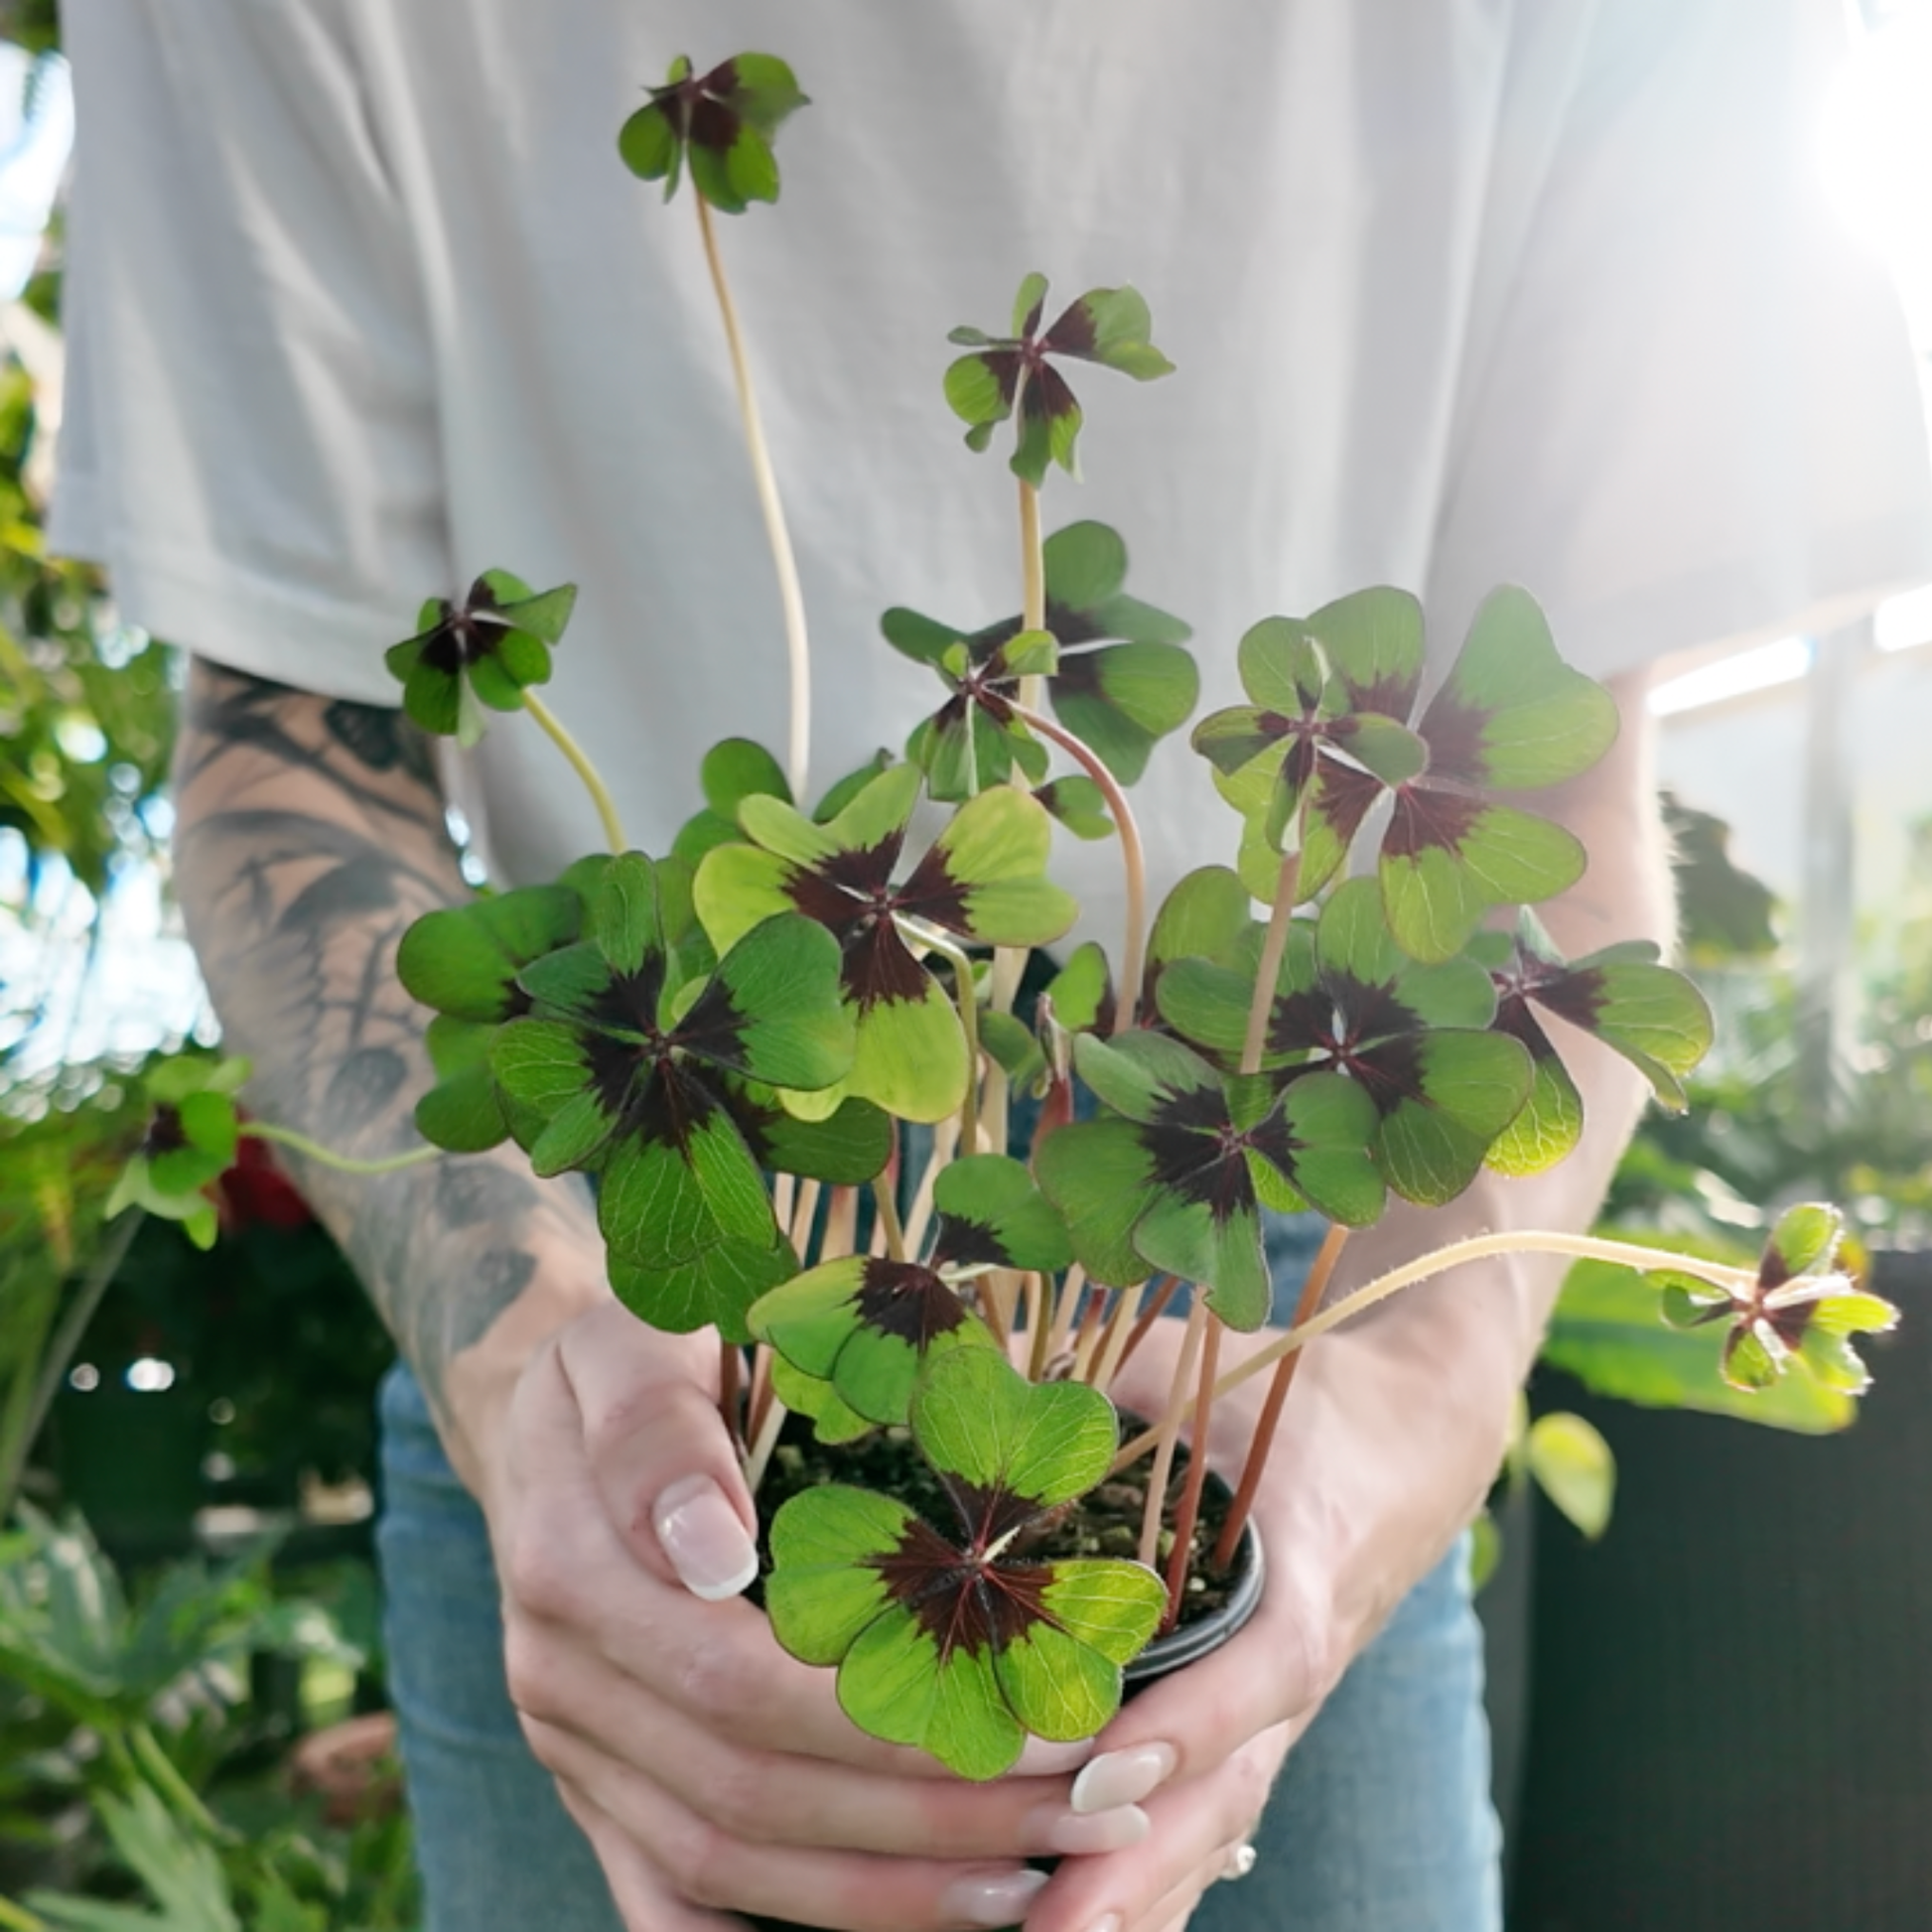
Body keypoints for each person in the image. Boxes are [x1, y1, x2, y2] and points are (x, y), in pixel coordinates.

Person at [52, 3, 1932, 1928]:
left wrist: (1403, 1400)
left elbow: (1551, 801)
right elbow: (296, 754)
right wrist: (532, 1360)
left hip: (1271, 1305)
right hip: (615, 1293)